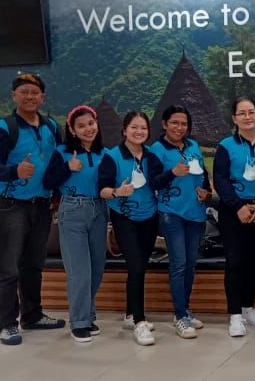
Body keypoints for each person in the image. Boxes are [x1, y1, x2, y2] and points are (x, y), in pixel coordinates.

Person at [0, 73, 66, 345]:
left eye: (35, 93)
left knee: (33, 265)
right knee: (8, 268)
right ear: (14, 96)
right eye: (24, 92)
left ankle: (32, 315)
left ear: (42, 97)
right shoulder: (3, 127)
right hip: (11, 205)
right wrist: (14, 171)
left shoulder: (51, 126)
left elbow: (57, 163)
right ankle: (7, 324)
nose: (30, 97)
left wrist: (57, 194)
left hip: (41, 205)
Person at [98, 111, 164, 346]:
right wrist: (118, 191)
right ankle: (139, 321)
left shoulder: (151, 155)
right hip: (124, 217)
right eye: (134, 127)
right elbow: (102, 190)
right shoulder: (112, 156)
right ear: (124, 130)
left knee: (140, 267)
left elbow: (159, 181)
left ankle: (129, 315)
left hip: (149, 216)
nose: (139, 132)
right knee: (135, 266)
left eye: (143, 128)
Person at [43, 105, 108, 343]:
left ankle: (87, 316)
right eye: (81, 126)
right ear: (72, 129)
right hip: (72, 210)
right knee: (79, 271)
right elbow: (48, 181)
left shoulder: (105, 153)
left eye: (91, 123)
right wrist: (67, 168)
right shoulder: (62, 152)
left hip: (99, 210)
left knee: (96, 270)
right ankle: (79, 321)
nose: (88, 129)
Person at [213, 96, 255, 337]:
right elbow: (220, 179)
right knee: (235, 261)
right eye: (242, 113)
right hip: (233, 212)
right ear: (234, 118)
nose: (247, 117)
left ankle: (248, 307)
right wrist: (237, 205)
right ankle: (235, 315)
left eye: (251, 112)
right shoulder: (226, 146)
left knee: (254, 261)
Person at [149, 105, 211, 339]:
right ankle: (179, 316)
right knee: (179, 264)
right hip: (171, 213)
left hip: (195, 212)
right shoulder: (157, 149)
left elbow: (204, 175)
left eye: (184, 123)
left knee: (191, 263)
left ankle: (185, 309)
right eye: (174, 122)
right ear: (165, 124)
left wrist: (206, 192)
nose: (179, 127)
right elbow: (154, 182)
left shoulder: (193, 146)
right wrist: (173, 172)